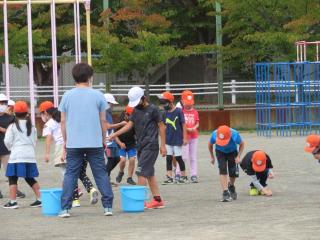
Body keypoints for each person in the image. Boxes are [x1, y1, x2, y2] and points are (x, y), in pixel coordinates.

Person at [58, 63, 114, 218]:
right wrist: (103, 139)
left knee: (71, 174)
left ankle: (65, 208)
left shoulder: (67, 95)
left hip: (74, 143)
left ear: (74, 77)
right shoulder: (98, 95)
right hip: (94, 142)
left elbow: (63, 122)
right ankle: (108, 206)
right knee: (100, 174)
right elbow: (103, 121)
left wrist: (65, 141)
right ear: (90, 77)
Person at [109, 86, 167, 209]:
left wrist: (163, 145)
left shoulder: (154, 110)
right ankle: (158, 200)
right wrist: (115, 134)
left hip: (151, 146)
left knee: (141, 172)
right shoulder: (135, 111)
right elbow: (129, 125)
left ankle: (140, 202)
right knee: (149, 173)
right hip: (140, 146)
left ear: (143, 97)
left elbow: (162, 127)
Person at [39, 101, 99, 208]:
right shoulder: (65, 118)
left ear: (45, 113)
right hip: (74, 145)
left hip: (61, 148)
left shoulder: (50, 123)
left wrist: (47, 153)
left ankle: (74, 199)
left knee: (68, 175)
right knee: (77, 172)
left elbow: (48, 139)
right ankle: (90, 189)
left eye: (41, 114)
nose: (42, 116)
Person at [3, 101, 41, 209]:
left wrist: (11, 148)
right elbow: (35, 141)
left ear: (15, 113)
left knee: (12, 177)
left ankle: (13, 202)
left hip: (16, 155)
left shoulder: (12, 126)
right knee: (29, 177)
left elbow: (7, 141)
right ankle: (40, 199)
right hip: (29, 155)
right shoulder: (32, 127)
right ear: (27, 113)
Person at [208, 125, 245, 202]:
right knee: (222, 169)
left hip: (232, 152)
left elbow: (242, 144)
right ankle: (225, 192)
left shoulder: (235, 134)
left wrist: (238, 156)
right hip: (220, 152)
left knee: (233, 171)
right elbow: (210, 145)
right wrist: (212, 157)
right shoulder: (215, 134)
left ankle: (231, 186)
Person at [158, 91, 188, 184]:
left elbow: (183, 124)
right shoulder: (164, 113)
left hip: (177, 139)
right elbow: (163, 126)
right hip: (168, 139)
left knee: (178, 158)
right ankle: (169, 177)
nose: (164, 105)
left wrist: (185, 137)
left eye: (165, 103)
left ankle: (184, 176)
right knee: (169, 158)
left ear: (171, 102)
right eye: (162, 103)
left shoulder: (179, 111)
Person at [0, 94, 25, 199]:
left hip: (6, 149)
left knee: (10, 172)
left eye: (4, 103)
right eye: (1, 103)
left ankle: (15, 190)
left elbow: (15, 133)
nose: (2, 105)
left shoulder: (11, 118)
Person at [176, 90, 200, 183]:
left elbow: (197, 122)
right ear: (182, 101)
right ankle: (178, 173)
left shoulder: (195, 112)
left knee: (193, 157)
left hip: (194, 137)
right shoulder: (180, 111)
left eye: (190, 103)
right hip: (184, 137)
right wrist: (185, 129)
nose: (189, 105)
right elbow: (179, 124)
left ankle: (193, 174)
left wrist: (194, 127)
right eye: (186, 103)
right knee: (183, 157)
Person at [103, 93, 126, 182]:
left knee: (116, 158)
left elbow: (112, 131)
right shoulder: (103, 113)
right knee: (111, 159)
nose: (112, 106)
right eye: (111, 104)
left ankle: (105, 176)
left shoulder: (108, 113)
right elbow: (108, 126)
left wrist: (119, 142)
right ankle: (105, 178)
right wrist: (121, 124)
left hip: (112, 141)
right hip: (107, 141)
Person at [115, 106, 137, 185]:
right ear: (125, 113)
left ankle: (129, 178)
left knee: (132, 159)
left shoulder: (134, 122)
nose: (130, 117)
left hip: (131, 144)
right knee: (123, 160)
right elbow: (115, 135)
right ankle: (121, 172)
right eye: (129, 115)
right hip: (121, 144)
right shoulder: (120, 122)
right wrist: (120, 143)